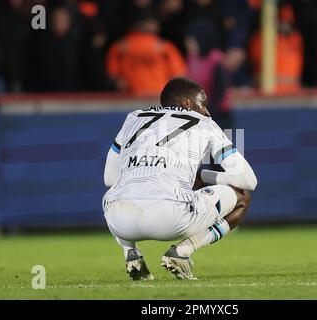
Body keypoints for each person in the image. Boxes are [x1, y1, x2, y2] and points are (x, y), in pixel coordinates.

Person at [102, 77, 257, 280]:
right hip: (172, 218)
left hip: (120, 222)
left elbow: (109, 178)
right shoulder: (205, 123)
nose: (208, 111)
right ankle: (182, 252)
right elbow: (248, 180)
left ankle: (131, 254)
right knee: (241, 197)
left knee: (115, 192)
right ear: (187, 103)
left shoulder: (133, 117)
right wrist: (203, 175)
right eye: (204, 104)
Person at [106, 14, 187, 96]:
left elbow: (113, 75)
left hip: (131, 97)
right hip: (159, 96)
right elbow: (178, 75)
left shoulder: (120, 47)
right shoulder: (165, 47)